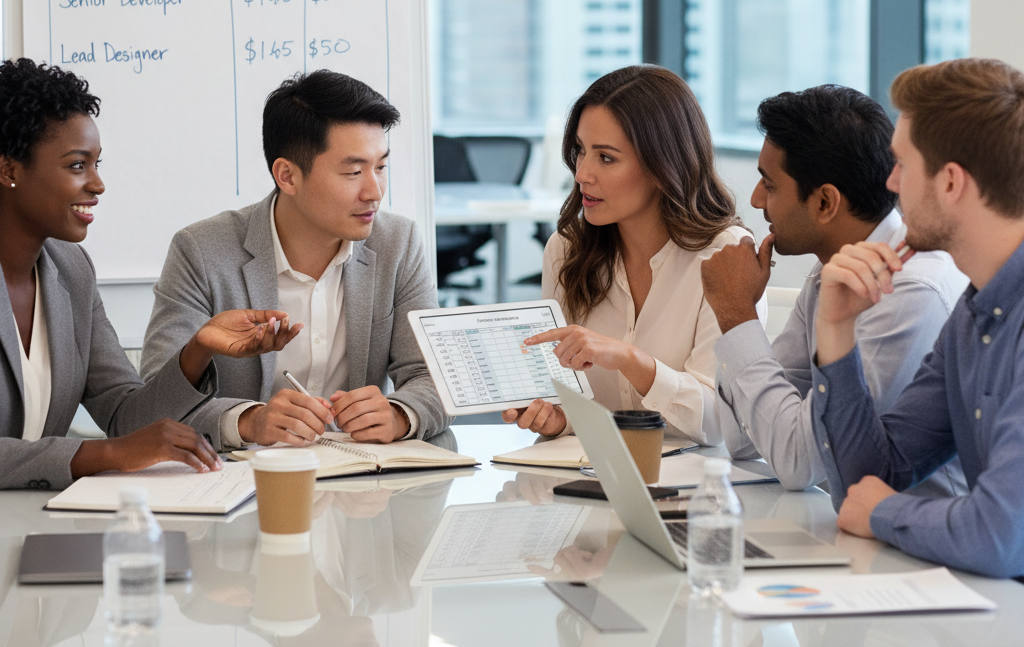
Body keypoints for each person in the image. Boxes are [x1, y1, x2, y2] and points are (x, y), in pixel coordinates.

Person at [0, 58, 300, 491]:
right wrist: (104, 454)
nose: (98, 184)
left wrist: (199, 348)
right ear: (9, 169)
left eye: (97, 164)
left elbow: (125, 416)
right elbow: (118, 444)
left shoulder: (71, 271)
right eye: (77, 165)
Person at [141, 70, 447, 450]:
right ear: (287, 175)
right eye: (353, 172)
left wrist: (401, 413)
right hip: (245, 485)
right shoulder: (201, 250)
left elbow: (435, 375)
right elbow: (154, 400)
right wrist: (247, 421)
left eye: (381, 167)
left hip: (361, 487)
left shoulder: (397, 243)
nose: (375, 191)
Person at [810, 58, 1024, 578]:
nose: (890, 181)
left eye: (902, 164)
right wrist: (836, 331)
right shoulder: (975, 313)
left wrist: (884, 512)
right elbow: (869, 478)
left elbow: (1000, 535)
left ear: (951, 182)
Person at [700, 85, 967, 492]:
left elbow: (799, 462)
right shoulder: (832, 272)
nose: (756, 201)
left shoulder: (908, 292)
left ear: (825, 203)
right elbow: (743, 440)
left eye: (769, 186)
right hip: (853, 527)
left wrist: (737, 315)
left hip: (912, 545)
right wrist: (738, 319)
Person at [503, 64, 762, 444]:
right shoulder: (566, 251)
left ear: (663, 165)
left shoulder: (726, 256)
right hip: (593, 479)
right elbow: (571, 400)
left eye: (606, 158)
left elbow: (722, 422)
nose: (582, 174)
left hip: (696, 489)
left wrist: (630, 360)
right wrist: (559, 419)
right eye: (580, 151)